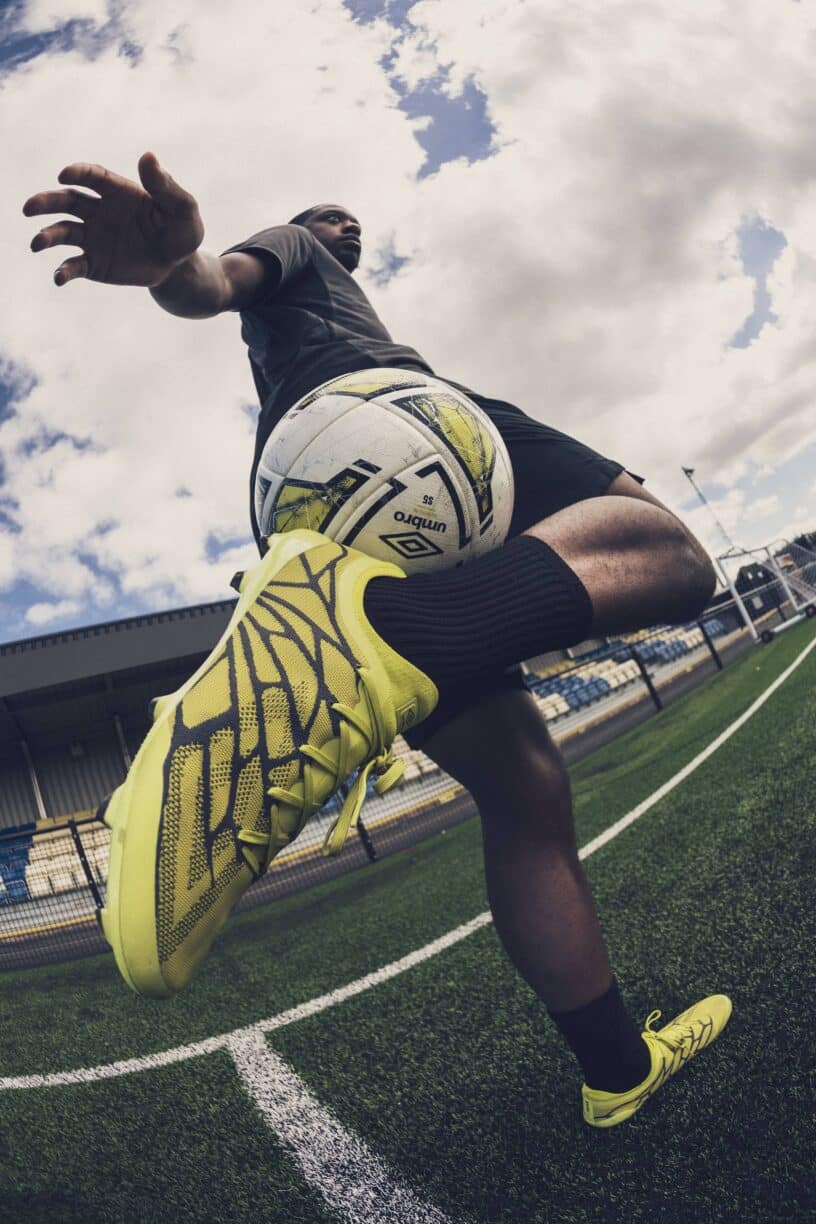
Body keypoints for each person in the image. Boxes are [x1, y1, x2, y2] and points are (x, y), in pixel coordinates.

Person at [23, 153, 731, 1128]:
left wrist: (173, 276)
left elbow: (217, 295)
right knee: (668, 554)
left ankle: (616, 1071)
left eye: (350, 225)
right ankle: (385, 637)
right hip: (392, 426)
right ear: (305, 225)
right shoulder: (299, 250)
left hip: (305, 515)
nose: (344, 229)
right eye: (331, 218)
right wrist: (174, 267)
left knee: (525, 793)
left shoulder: (301, 301)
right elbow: (217, 284)